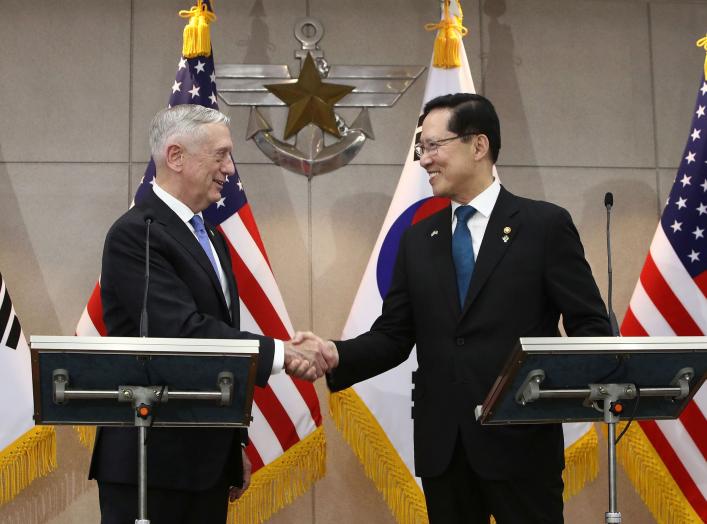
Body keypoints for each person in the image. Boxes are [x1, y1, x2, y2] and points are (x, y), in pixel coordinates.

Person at [306, 93, 612, 523]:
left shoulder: (543, 226)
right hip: (444, 450)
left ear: (478, 145)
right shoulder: (418, 239)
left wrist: (545, 391)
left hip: (521, 444)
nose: (424, 160)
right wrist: (337, 353)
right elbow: (395, 335)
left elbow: (591, 328)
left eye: (433, 146)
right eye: (421, 148)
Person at [90, 104, 335, 524]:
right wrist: (283, 355)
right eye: (220, 154)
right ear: (176, 156)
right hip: (152, 463)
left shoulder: (212, 236)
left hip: (205, 461)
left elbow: (218, 341)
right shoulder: (137, 233)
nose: (230, 168)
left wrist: (233, 443)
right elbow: (182, 333)